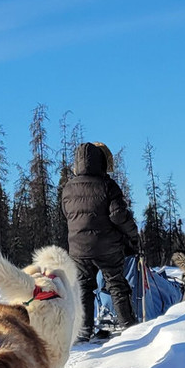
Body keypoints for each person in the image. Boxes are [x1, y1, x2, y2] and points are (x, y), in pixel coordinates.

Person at [61, 141, 142, 341]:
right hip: (107, 247)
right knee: (116, 284)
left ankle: (83, 330)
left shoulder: (68, 188)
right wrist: (133, 236)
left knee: (84, 287)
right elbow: (118, 216)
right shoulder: (107, 185)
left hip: (78, 248)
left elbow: (67, 214)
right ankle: (129, 328)